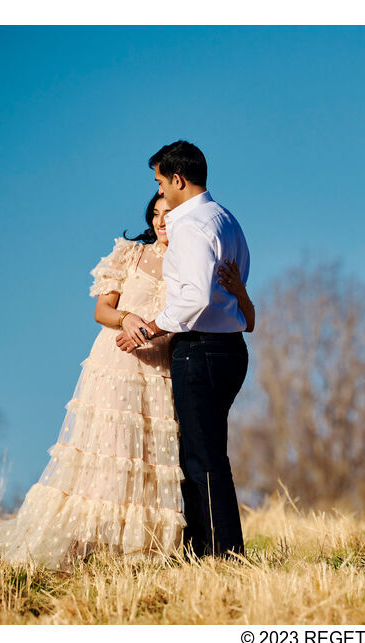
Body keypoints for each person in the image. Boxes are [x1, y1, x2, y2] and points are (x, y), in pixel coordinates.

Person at [0, 192, 253, 571]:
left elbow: (232, 316)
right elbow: (102, 310)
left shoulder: (192, 259)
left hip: (163, 368)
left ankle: (142, 551)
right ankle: (90, 545)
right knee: (112, 453)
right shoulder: (130, 254)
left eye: (169, 214)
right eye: (156, 215)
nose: (162, 222)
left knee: (152, 459)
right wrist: (126, 316)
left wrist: (240, 291)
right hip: (120, 365)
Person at [122, 140, 252, 559]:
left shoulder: (191, 226)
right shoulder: (226, 219)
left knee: (200, 458)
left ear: (177, 180)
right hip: (230, 348)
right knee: (210, 452)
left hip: (200, 350)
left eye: (160, 183)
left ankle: (217, 554)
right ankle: (217, 550)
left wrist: (150, 329)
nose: (160, 192)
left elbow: (194, 298)